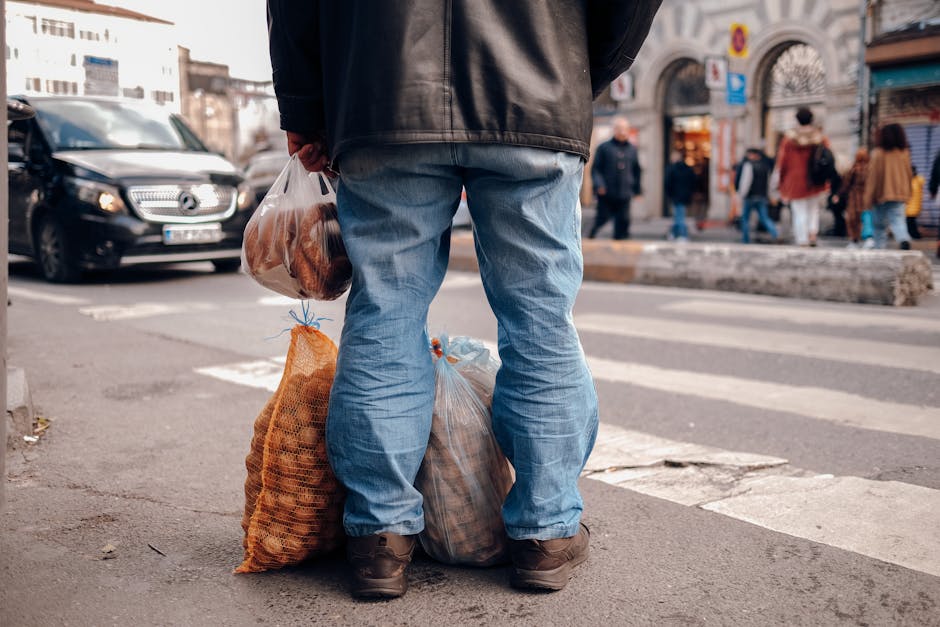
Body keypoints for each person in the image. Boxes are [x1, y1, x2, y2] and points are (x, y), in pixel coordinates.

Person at [267, 1, 661, 599]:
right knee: (540, 319)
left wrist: (304, 106)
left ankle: (380, 537)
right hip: (536, 89)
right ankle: (546, 530)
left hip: (381, 92)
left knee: (385, 311)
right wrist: (577, 70)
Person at [774, 107, 831, 246]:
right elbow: (828, 158)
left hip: (795, 179)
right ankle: (812, 234)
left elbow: (782, 162)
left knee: (799, 210)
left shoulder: (789, 140)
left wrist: (780, 182)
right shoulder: (820, 138)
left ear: (797, 120)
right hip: (815, 179)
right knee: (813, 209)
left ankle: (802, 239)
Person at [589, 117, 642, 240]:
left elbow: (637, 171)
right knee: (601, 219)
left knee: (624, 221)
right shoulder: (603, 147)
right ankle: (589, 237)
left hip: (625, 193)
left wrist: (637, 191)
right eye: (619, 129)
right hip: (606, 192)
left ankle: (621, 242)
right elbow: (596, 169)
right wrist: (599, 185)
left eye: (625, 129)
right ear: (614, 130)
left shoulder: (632, 149)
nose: (622, 132)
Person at [863, 123, 913, 250]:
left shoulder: (878, 154)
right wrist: (909, 192)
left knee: (879, 225)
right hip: (899, 194)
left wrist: (868, 198)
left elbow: (872, 178)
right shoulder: (904, 153)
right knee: (898, 220)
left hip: (881, 195)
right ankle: (903, 239)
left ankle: (880, 248)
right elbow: (909, 174)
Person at [736, 147, 779, 244]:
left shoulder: (748, 165)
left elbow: (746, 182)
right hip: (762, 196)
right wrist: (769, 195)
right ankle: (775, 234)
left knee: (745, 218)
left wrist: (741, 194)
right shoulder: (765, 166)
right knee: (764, 217)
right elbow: (769, 183)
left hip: (750, 196)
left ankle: (745, 239)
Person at [663, 151, 695, 241]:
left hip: (676, 195)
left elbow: (667, 182)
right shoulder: (687, 168)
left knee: (679, 216)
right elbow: (693, 181)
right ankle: (675, 233)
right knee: (679, 215)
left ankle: (682, 235)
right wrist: (690, 192)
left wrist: (669, 193)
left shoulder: (672, 169)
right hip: (684, 195)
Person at [842, 148, 870, 248]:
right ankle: (867, 238)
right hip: (866, 196)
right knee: (866, 218)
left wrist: (840, 194)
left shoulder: (853, 168)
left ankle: (854, 239)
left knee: (853, 219)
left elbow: (846, 183)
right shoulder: (870, 168)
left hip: (854, 197)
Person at [905, 165, 925, 239]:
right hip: (910, 205)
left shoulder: (916, 180)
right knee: (911, 221)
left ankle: (914, 234)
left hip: (912, 205)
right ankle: (914, 234)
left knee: (910, 221)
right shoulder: (915, 180)